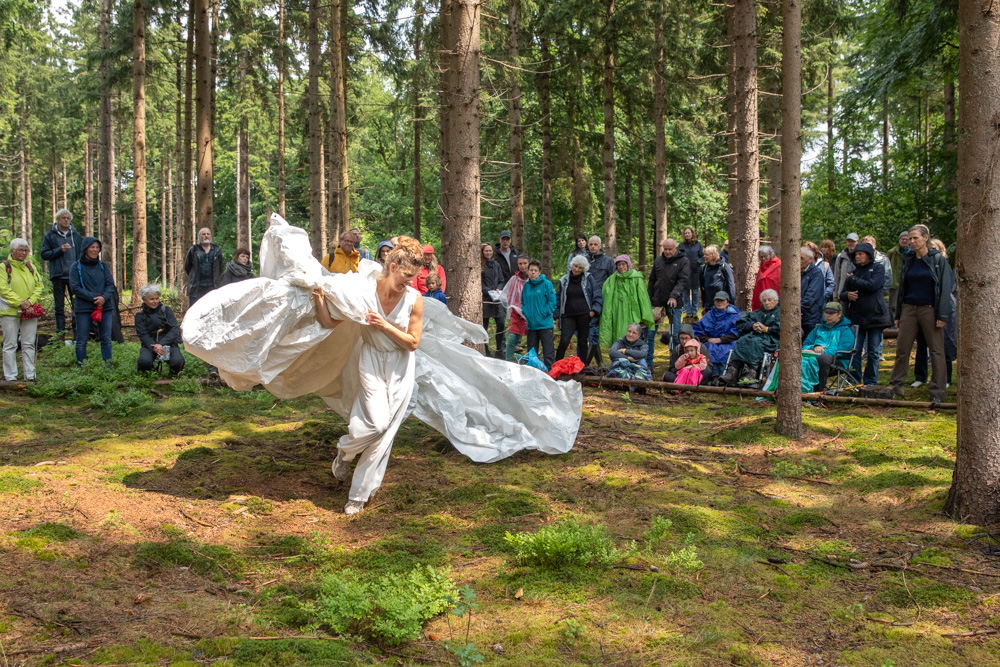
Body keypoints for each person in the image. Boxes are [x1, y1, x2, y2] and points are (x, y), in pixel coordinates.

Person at [315, 236, 425, 515]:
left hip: (401, 366)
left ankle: (358, 496)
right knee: (376, 424)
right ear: (393, 267)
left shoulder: (414, 299)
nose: (408, 282)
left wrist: (384, 325)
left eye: (413, 277)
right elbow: (329, 322)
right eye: (406, 276)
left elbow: (413, 342)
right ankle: (345, 450)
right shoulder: (364, 293)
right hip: (371, 361)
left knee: (385, 434)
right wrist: (319, 299)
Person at [888, 225, 953, 404]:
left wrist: (943, 315)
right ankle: (895, 387)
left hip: (930, 309)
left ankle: (937, 392)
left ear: (926, 238)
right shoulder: (907, 259)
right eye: (910, 238)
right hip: (909, 308)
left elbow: (945, 289)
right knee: (902, 349)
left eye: (916, 238)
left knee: (936, 350)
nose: (912, 241)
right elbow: (902, 287)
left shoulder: (938, 260)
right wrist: (899, 313)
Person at [840, 241, 891, 386]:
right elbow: (842, 292)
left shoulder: (878, 268)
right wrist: (847, 295)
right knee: (855, 350)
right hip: (857, 316)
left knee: (874, 351)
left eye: (861, 254)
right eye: (856, 254)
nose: (857, 257)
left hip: (875, 316)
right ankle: (855, 379)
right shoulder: (853, 272)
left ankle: (870, 381)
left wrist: (853, 279)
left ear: (868, 255)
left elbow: (873, 286)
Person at [913, 239, 957, 387]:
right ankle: (920, 377)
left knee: (943, 346)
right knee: (922, 344)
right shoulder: (919, 263)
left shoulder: (945, 265)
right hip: (922, 307)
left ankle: (946, 378)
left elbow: (949, 290)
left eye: (933, 248)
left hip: (941, 310)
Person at [0, 238, 43, 381]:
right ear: (12, 251)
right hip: (10, 312)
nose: (23, 253)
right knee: (10, 344)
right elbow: (3, 289)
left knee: (29, 344)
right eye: (20, 250)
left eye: (25, 250)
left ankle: (30, 375)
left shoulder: (30, 267)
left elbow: (39, 286)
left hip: (30, 311)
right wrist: (20, 303)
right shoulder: (4, 267)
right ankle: (11, 376)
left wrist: (29, 303)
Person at [69, 237, 116, 366]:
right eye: (92, 247)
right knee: (82, 339)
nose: (95, 250)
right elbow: (75, 287)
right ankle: (82, 367)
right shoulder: (76, 266)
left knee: (106, 339)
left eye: (97, 247)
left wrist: (104, 298)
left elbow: (110, 284)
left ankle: (108, 366)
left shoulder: (103, 265)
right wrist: (94, 298)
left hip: (104, 307)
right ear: (85, 249)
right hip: (83, 308)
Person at [600, 255, 655, 367]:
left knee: (634, 336)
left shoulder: (636, 278)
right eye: (619, 265)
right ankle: (620, 363)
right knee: (619, 338)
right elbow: (605, 297)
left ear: (628, 265)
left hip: (632, 315)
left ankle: (639, 364)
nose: (621, 267)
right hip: (617, 315)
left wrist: (645, 315)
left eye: (623, 264)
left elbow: (643, 297)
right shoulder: (612, 280)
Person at [720, 289, 781, 385]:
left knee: (756, 343)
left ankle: (752, 372)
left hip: (771, 340)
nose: (767, 302)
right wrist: (752, 325)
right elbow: (741, 322)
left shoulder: (780, 313)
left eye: (770, 300)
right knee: (742, 341)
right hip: (754, 336)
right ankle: (732, 371)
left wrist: (766, 329)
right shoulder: (758, 313)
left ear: (776, 301)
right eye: (764, 300)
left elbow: (781, 328)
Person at [40, 208, 83, 339]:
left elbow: (81, 253)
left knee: (77, 305)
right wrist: (59, 250)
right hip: (58, 276)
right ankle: (60, 336)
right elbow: (44, 254)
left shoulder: (75, 235)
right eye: (63, 218)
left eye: (68, 218)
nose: (66, 220)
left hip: (73, 276)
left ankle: (77, 335)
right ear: (57, 220)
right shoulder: (50, 236)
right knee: (59, 307)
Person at [555, 255, 601, 361]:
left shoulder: (589, 279)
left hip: (584, 315)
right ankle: (556, 366)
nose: (577, 269)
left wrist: (593, 311)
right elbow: (557, 299)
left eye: (580, 268)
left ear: (583, 269)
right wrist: (557, 315)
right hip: (567, 315)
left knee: (582, 342)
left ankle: (582, 368)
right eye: (575, 266)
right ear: (572, 265)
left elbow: (597, 296)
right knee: (564, 341)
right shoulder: (564, 280)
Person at [801, 302, 855, 392]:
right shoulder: (818, 329)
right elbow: (805, 345)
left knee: (823, 358)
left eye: (831, 313)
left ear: (839, 314)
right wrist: (814, 347)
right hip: (813, 358)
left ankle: (818, 392)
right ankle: (801, 390)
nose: (828, 316)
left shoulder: (845, 331)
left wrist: (821, 352)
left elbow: (843, 350)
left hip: (837, 361)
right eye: (826, 313)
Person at [647, 238, 690, 351]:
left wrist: (674, 296)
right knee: (650, 334)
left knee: (674, 335)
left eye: (670, 249)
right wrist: (648, 298)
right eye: (665, 249)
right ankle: (648, 363)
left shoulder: (683, 261)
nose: (667, 252)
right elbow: (652, 281)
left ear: (675, 248)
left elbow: (683, 281)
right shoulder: (658, 261)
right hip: (657, 302)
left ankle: (674, 362)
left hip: (674, 304)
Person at [134, 284, 185, 376]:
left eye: (157, 298)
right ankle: (150, 373)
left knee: (178, 362)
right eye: (151, 299)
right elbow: (143, 335)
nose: (155, 301)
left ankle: (173, 375)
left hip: (168, 343)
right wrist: (154, 346)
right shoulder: (139, 316)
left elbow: (174, 329)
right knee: (144, 362)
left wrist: (161, 344)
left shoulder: (166, 310)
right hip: (150, 345)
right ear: (144, 300)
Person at [584, 236, 617, 367]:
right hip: (586, 299)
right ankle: (600, 363)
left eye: (595, 244)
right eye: (590, 244)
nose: (592, 246)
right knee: (592, 331)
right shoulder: (584, 260)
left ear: (600, 246)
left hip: (603, 300)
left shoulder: (608, 261)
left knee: (595, 330)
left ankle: (586, 363)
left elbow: (612, 280)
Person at [693, 291, 739, 377]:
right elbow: (698, 330)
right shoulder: (709, 315)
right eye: (717, 300)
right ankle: (711, 375)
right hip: (710, 341)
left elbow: (736, 333)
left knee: (724, 350)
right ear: (714, 302)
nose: (720, 302)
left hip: (728, 341)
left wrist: (721, 340)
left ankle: (722, 375)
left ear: (727, 302)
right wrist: (707, 339)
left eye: (722, 300)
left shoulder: (734, 315)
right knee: (709, 347)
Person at [521, 259, 556, 369]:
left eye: (535, 270)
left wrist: (543, 312)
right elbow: (523, 302)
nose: (533, 272)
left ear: (539, 272)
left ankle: (550, 374)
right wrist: (526, 313)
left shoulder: (547, 284)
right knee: (531, 352)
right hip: (531, 325)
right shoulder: (526, 286)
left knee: (548, 352)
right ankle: (533, 372)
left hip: (545, 325)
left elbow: (552, 302)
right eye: (531, 270)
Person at [501, 255, 531, 361]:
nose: (522, 266)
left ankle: (529, 360)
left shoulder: (533, 279)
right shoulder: (514, 279)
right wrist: (515, 308)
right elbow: (509, 295)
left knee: (531, 339)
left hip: (530, 313)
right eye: (520, 264)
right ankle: (508, 361)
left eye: (525, 263)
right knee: (512, 339)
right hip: (516, 313)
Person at [184, 227, 223, 304]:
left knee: (212, 309)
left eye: (208, 234)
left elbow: (220, 267)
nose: (206, 236)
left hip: (212, 286)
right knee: (195, 310)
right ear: (199, 236)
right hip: (197, 287)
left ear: (210, 236)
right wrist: (194, 276)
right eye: (203, 234)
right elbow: (187, 266)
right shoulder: (193, 250)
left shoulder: (217, 250)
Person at [481, 243, 506, 358]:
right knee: (484, 327)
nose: (488, 253)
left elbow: (501, 280)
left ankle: (499, 350)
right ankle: (486, 350)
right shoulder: (480, 266)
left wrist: (498, 289)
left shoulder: (496, 265)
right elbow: (478, 283)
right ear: (482, 252)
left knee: (501, 324)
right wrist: (488, 291)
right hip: (485, 300)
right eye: (486, 251)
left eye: (490, 251)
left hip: (497, 299)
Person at [699, 245, 735, 312]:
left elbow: (731, 286)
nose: (704, 256)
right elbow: (702, 287)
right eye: (704, 254)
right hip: (708, 305)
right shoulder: (703, 269)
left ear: (713, 255)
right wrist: (704, 304)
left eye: (706, 255)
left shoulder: (724, 267)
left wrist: (731, 303)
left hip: (722, 305)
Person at [800, 246, 826, 338]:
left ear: (809, 259)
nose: (799, 261)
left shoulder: (816, 273)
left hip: (810, 317)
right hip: (798, 316)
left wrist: (798, 308)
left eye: (802, 258)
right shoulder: (797, 273)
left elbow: (811, 296)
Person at [679, 227, 704, 320]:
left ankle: (694, 311)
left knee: (695, 292)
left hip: (695, 272)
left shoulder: (698, 245)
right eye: (685, 233)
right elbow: (678, 256)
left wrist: (698, 262)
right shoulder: (682, 245)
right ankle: (687, 311)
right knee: (685, 292)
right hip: (685, 272)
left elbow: (702, 257)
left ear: (692, 234)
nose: (687, 235)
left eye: (689, 233)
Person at [886, 231, 910, 315]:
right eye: (903, 239)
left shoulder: (911, 252)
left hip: (907, 281)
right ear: (899, 240)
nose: (904, 241)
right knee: (893, 303)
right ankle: (892, 321)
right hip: (895, 281)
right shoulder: (892, 252)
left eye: (907, 239)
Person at [751, 245, 781, 310]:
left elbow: (778, 282)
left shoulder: (778, 265)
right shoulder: (762, 267)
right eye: (761, 257)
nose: (763, 259)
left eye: (765, 256)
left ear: (770, 255)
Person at [833, 232, 859, 300]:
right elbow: (836, 276)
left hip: (857, 292)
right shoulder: (841, 256)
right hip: (843, 292)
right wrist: (835, 294)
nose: (850, 243)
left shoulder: (861, 256)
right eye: (849, 241)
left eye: (853, 241)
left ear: (858, 242)